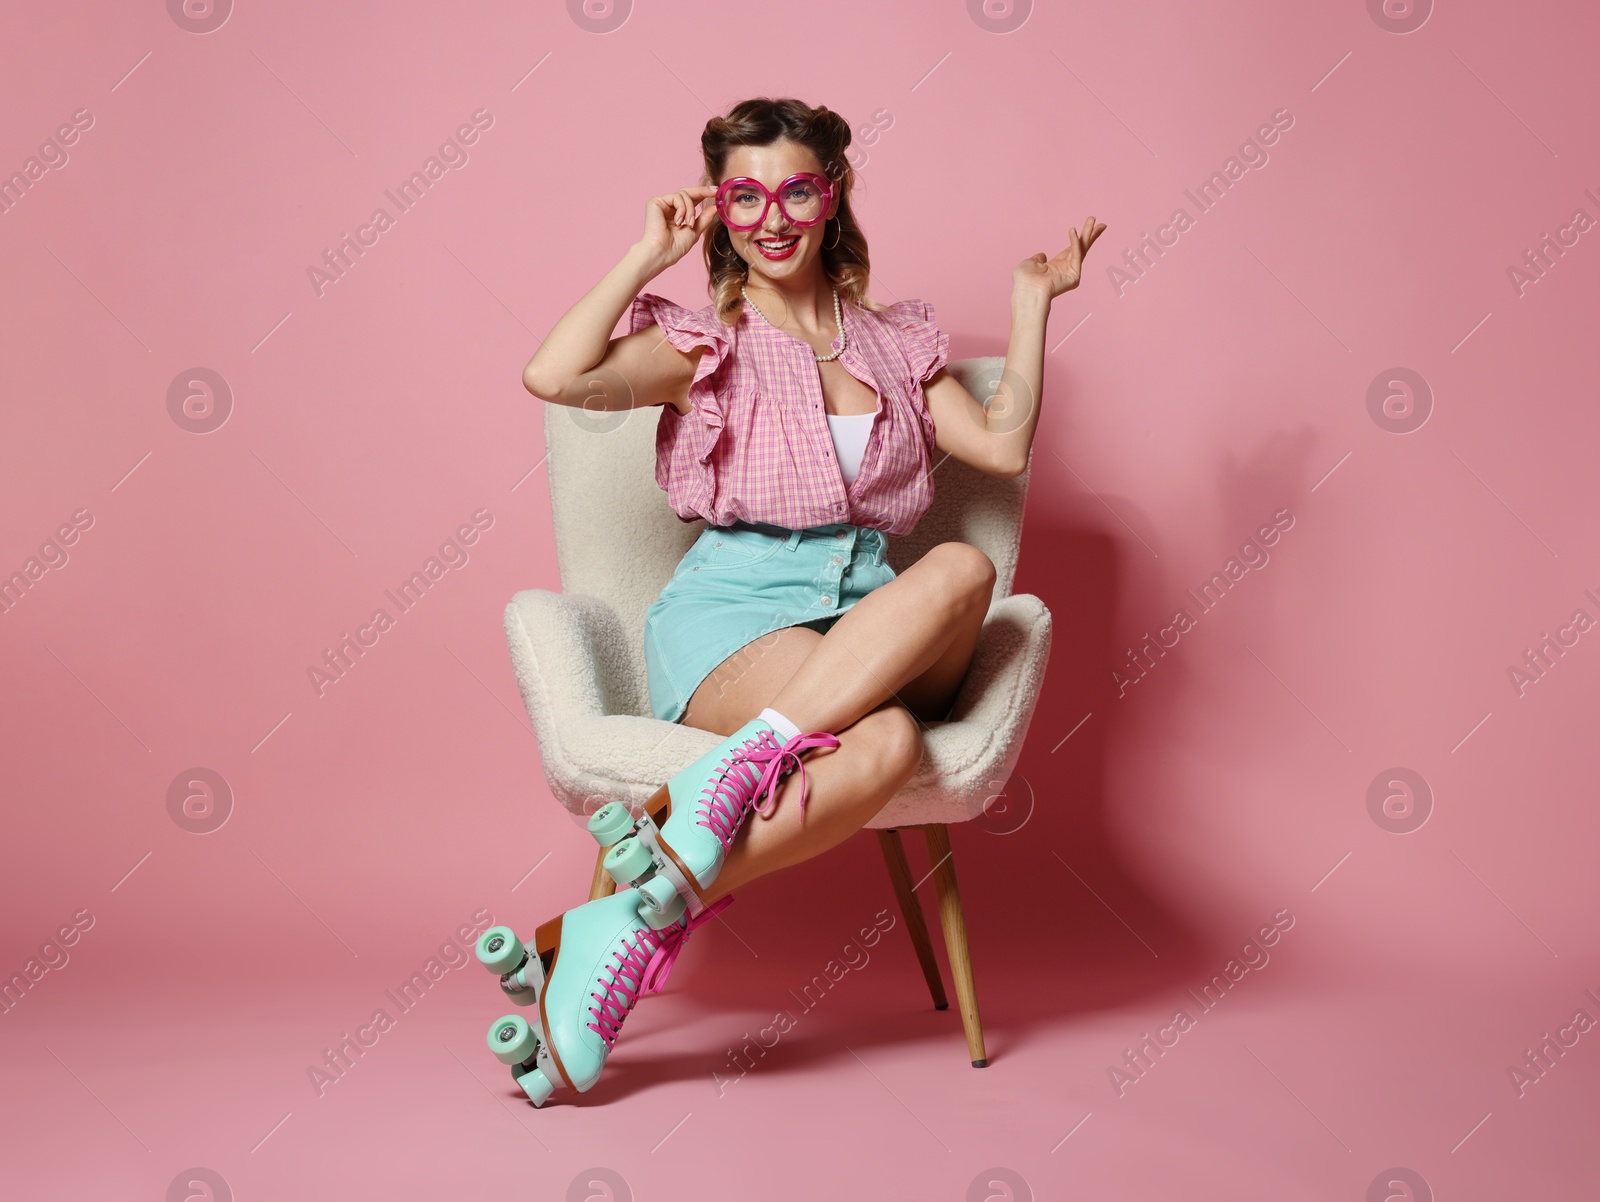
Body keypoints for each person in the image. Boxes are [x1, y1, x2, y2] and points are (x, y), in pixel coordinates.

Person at [487, 96, 1104, 1106]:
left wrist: (1031, 303)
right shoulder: (704, 346)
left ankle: (643, 888)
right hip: (737, 617)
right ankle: (616, 937)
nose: (771, 216)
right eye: (744, 194)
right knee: (893, 745)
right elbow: (552, 373)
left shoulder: (899, 345)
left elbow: (998, 445)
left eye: (796, 189)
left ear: (833, 196)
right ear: (720, 209)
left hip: (877, 614)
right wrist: (646, 256)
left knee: (957, 571)